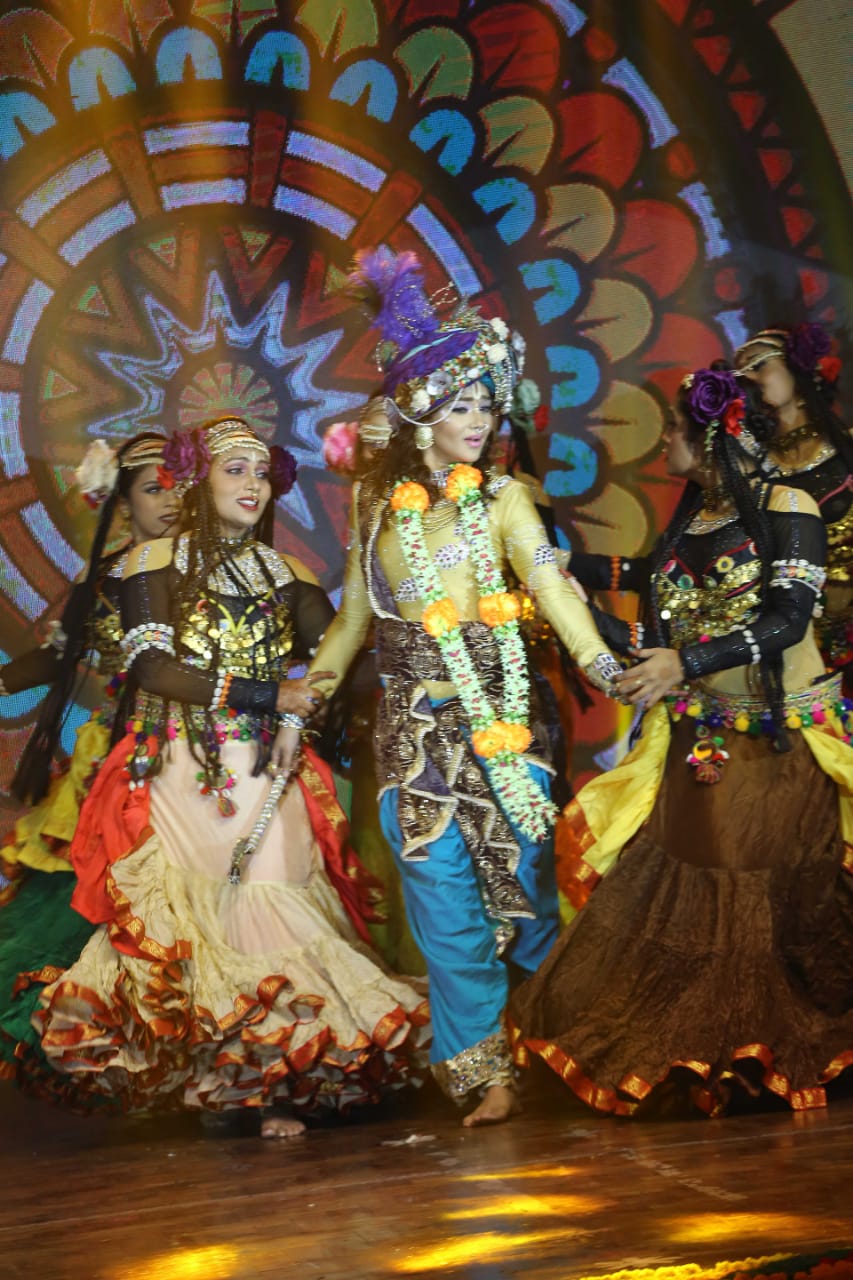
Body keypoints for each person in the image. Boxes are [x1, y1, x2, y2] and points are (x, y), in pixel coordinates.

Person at [278, 249, 620, 1126]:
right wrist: (305, 697)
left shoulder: (503, 498)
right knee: (439, 893)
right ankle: (484, 1073)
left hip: (502, 721)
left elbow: (549, 584)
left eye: (485, 404)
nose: (479, 419)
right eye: (461, 404)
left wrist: (602, 665)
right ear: (420, 410)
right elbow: (352, 623)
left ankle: (558, 1038)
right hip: (411, 729)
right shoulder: (374, 509)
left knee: (527, 892)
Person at [28, 417, 429, 1137]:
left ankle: (271, 1083)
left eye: (261, 473)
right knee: (208, 924)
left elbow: (339, 661)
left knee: (274, 905)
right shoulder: (152, 561)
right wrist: (272, 695)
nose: (253, 485)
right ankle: (236, 1084)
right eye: (235, 470)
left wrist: (436, 639)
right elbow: (154, 670)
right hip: (183, 767)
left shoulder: (287, 574)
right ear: (197, 479)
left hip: (267, 768)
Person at [510, 367, 853, 1117]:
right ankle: (703, 1052)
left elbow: (788, 619)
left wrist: (684, 663)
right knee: (676, 882)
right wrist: (563, 583)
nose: (662, 439)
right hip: (695, 739)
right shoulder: (695, 514)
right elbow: (655, 602)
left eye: (671, 428)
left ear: (710, 438)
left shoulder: (787, 505)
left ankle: (754, 1051)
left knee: (751, 891)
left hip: (771, 745)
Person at [0, 433, 177, 1079]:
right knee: (88, 900)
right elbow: (61, 656)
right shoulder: (103, 576)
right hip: (119, 759)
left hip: (200, 756)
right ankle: (105, 1038)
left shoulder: (211, 566)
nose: (171, 501)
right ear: (123, 504)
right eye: (154, 489)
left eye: (178, 488)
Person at [733, 323, 851, 675]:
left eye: (759, 365)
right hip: (798, 649)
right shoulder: (751, 472)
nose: (748, 378)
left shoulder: (846, 448)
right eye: (741, 373)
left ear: (798, 370)